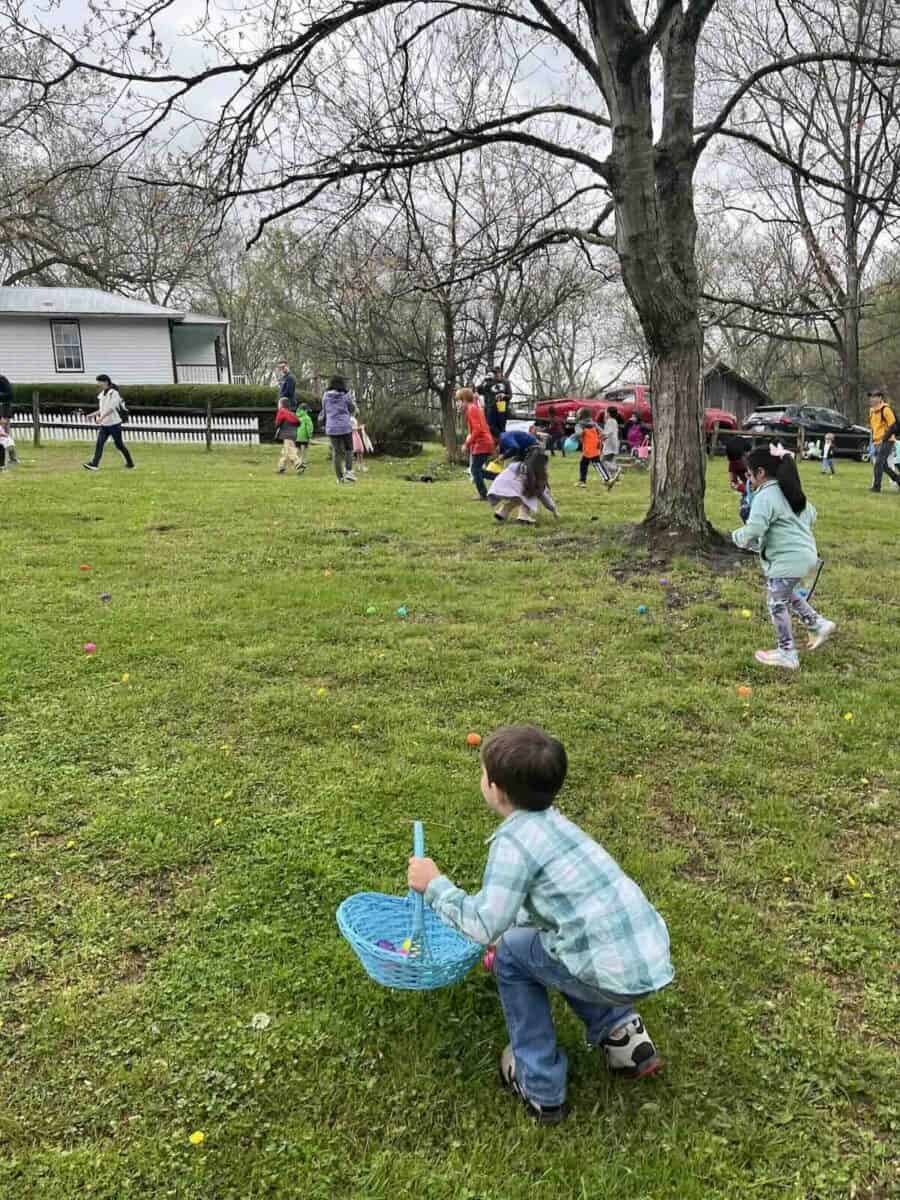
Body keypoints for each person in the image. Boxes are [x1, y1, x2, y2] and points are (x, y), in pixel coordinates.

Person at [407, 725, 672, 1123]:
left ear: (495, 788)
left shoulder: (513, 845)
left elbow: (483, 927)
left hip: (605, 973)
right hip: (647, 957)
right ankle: (626, 1039)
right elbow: (548, 906)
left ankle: (540, 1085)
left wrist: (435, 886)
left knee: (513, 954)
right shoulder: (559, 828)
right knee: (555, 947)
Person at [732, 445, 836, 670]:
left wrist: (737, 537)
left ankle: (787, 652)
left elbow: (755, 528)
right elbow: (812, 514)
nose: (749, 480)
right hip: (806, 556)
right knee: (786, 594)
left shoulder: (765, 495)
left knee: (776, 602)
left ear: (760, 473)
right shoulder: (791, 491)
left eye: (749, 475)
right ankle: (817, 623)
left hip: (786, 561)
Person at [488, 445, 559, 525]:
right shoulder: (537, 476)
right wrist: (554, 511)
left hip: (498, 486)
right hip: (511, 488)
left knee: (517, 498)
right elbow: (544, 497)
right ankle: (523, 516)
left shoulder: (518, 465)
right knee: (531, 493)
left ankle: (502, 512)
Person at [82, 375, 135, 472]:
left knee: (119, 445)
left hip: (114, 424)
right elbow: (102, 409)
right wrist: (92, 415)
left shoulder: (114, 393)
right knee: (99, 444)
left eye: (99, 382)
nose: (98, 384)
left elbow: (111, 409)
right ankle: (94, 464)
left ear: (106, 382)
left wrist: (101, 418)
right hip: (105, 425)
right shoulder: (102, 394)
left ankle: (130, 463)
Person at [457, 387, 495, 501]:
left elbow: (477, 430)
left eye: (458, 401)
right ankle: (499, 477)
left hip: (482, 443)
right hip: (484, 442)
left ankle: (483, 494)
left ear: (464, 400)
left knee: (475, 470)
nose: (457, 404)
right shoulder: (473, 407)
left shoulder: (471, 409)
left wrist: (467, 444)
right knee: (477, 469)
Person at [320, 375, 357, 484]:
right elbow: (352, 408)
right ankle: (349, 471)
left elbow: (324, 411)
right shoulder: (345, 395)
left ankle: (339, 478)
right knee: (349, 449)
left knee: (336, 452)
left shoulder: (325, 396)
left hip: (331, 427)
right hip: (345, 426)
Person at [867, 389, 900, 493]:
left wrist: (884, 438)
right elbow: (873, 427)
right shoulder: (871, 410)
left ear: (880, 398)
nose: (872, 399)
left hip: (887, 440)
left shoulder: (886, 409)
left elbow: (893, 425)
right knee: (883, 466)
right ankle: (898, 479)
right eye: (871, 397)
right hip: (876, 441)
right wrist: (873, 440)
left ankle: (876, 487)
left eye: (874, 397)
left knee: (878, 463)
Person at [574, 408, 614, 488]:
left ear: (580, 416)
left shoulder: (579, 425)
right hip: (596, 446)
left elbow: (579, 433)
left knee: (596, 463)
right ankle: (582, 481)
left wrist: (575, 436)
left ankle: (607, 479)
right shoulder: (594, 424)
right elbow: (603, 434)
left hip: (588, 448)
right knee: (584, 463)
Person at [477, 365, 512, 438]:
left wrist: (504, 396)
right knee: (491, 427)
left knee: (502, 428)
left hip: (502, 408)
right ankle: (498, 439)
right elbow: (479, 391)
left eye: (498, 372)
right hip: (491, 409)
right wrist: (484, 380)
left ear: (501, 373)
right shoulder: (489, 382)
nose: (497, 374)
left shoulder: (506, 382)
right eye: (495, 373)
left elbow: (510, 396)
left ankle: (502, 442)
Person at [725, 436, 752, 522]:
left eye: (739, 460)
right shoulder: (733, 463)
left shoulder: (755, 462)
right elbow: (733, 482)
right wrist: (741, 487)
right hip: (748, 491)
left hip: (762, 492)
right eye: (734, 461)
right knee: (745, 512)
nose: (737, 463)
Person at [274, 395, 301, 474]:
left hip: (286, 434)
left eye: (279, 404)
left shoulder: (282, 411)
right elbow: (298, 423)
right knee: (285, 452)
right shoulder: (291, 413)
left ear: (282, 405)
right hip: (293, 434)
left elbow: (277, 423)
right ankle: (281, 467)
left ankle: (299, 465)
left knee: (291, 452)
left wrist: (277, 425)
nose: (278, 405)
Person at [601, 406, 621, 483]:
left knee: (603, 461)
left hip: (610, 445)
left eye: (606, 412)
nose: (605, 414)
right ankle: (615, 478)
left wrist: (602, 437)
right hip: (613, 444)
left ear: (608, 413)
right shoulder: (614, 421)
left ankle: (616, 469)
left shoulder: (610, 421)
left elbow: (608, 433)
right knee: (611, 461)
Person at [295, 404, 314, 471]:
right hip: (304, 436)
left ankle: (296, 460)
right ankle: (302, 462)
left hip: (296, 436)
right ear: (305, 410)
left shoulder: (296, 416)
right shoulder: (307, 418)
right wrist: (309, 435)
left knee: (297, 449)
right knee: (304, 450)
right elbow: (309, 428)